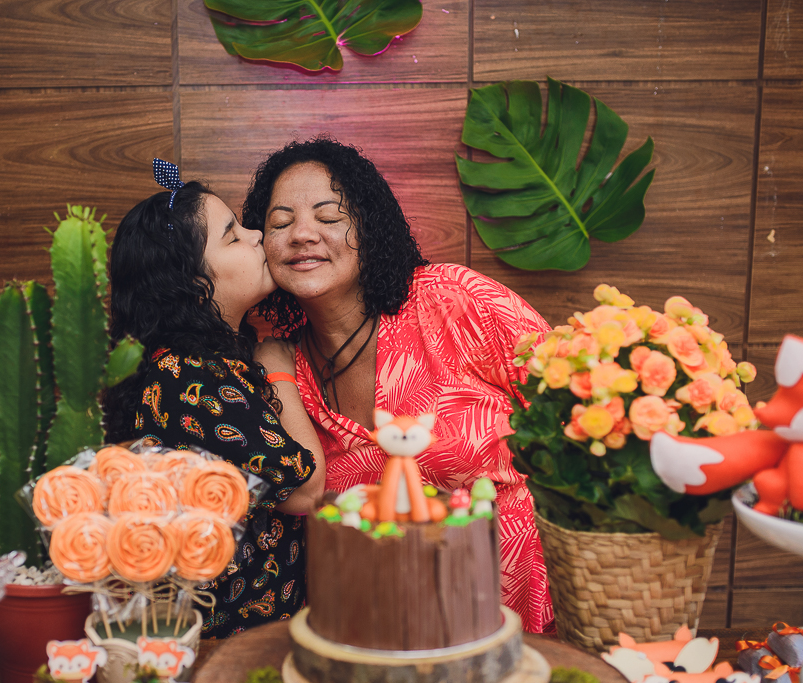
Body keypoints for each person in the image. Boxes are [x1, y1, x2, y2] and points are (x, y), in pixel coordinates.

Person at [242, 137, 554, 633]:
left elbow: (572, 403)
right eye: (280, 223)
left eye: (328, 217)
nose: (302, 234)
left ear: (369, 227)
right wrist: (274, 368)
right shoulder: (278, 370)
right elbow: (298, 499)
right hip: (396, 635)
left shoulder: (452, 300)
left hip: (539, 615)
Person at [102, 159, 326, 639]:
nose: (256, 236)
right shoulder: (188, 376)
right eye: (232, 235)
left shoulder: (202, 360)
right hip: (226, 643)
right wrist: (278, 369)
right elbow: (306, 489)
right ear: (190, 280)